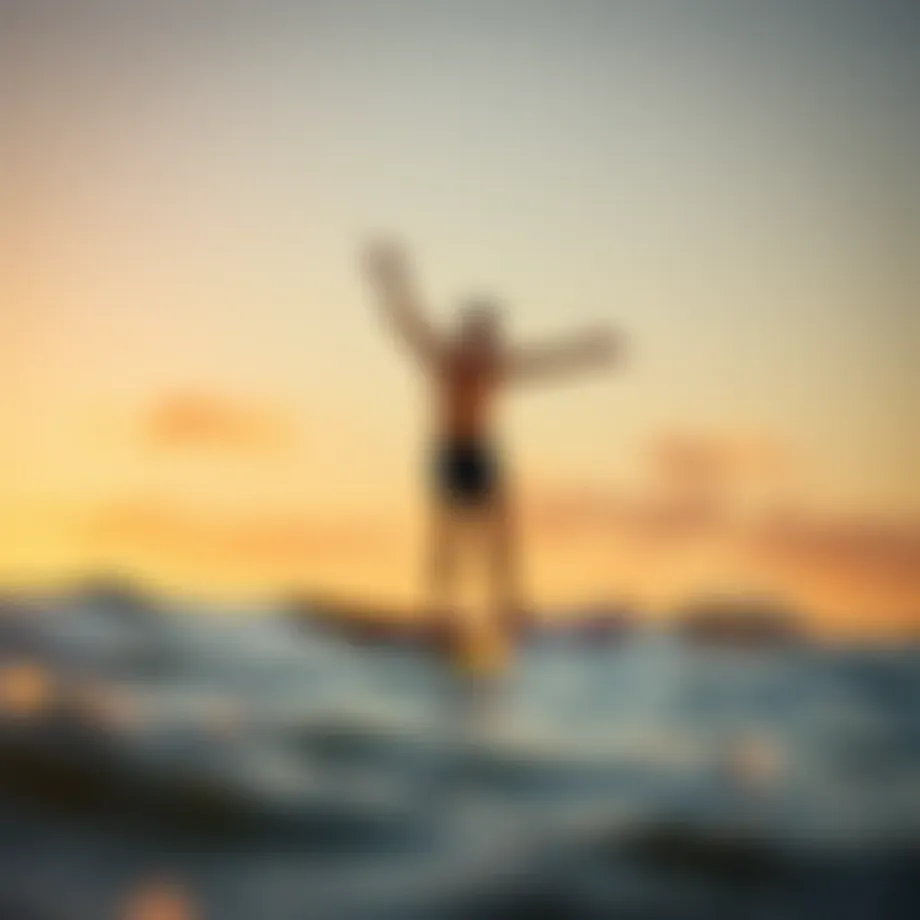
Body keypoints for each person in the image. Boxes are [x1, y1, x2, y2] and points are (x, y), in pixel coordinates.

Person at [362, 239, 623, 671]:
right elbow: (407, 322)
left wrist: (591, 352)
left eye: (489, 338)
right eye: (480, 336)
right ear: (470, 334)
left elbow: (548, 362)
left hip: (482, 453)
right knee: (448, 538)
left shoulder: (494, 365)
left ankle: (509, 610)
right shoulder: (445, 357)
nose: (484, 346)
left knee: (498, 538)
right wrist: (392, 280)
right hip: (451, 452)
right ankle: (441, 614)